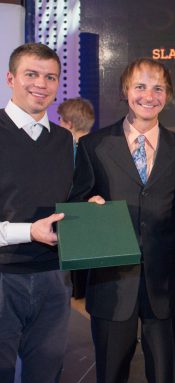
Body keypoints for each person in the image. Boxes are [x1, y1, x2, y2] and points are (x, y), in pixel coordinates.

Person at [69, 58, 175, 383]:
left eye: (158, 88)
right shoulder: (94, 146)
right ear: (125, 91)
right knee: (109, 382)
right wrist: (87, 209)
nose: (148, 95)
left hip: (164, 286)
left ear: (168, 95)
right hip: (111, 283)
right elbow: (76, 205)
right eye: (140, 86)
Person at [0, 43, 74, 383]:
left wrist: (88, 207)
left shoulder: (63, 141)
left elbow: (69, 204)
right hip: (2, 279)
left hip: (53, 283)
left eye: (50, 77)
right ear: (11, 78)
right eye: (31, 74)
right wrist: (28, 232)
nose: (41, 84)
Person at [57, 97, 95, 299]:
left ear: (69, 123)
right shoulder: (100, 148)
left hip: (68, 226)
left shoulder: (63, 152)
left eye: (61, 120)